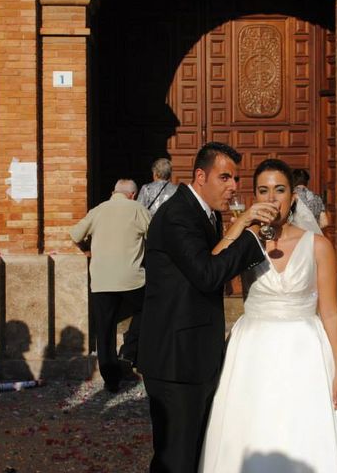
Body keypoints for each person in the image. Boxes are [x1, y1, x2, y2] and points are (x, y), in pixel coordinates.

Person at [199, 159, 337, 473]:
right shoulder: (247, 242)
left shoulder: (319, 245)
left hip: (305, 350)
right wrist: (242, 223)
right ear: (255, 198)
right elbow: (211, 268)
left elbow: (330, 313)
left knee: (306, 427)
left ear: (293, 197)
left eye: (279, 190)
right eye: (263, 191)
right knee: (252, 424)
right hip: (252, 349)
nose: (272, 198)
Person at [137, 142, 279, 472]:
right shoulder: (177, 215)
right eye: (225, 177)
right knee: (175, 459)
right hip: (175, 358)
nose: (233, 186)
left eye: (236, 179)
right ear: (200, 176)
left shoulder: (207, 213)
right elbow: (206, 274)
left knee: (192, 453)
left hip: (195, 355)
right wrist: (249, 233)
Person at [69, 179, 150, 393]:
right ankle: (129, 352)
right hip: (132, 279)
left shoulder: (98, 210)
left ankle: (111, 379)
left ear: (113, 192)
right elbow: (154, 236)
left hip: (102, 280)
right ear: (133, 195)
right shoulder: (137, 209)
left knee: (105, 328)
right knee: (148, 308)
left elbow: (75, 234)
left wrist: (87, 250)